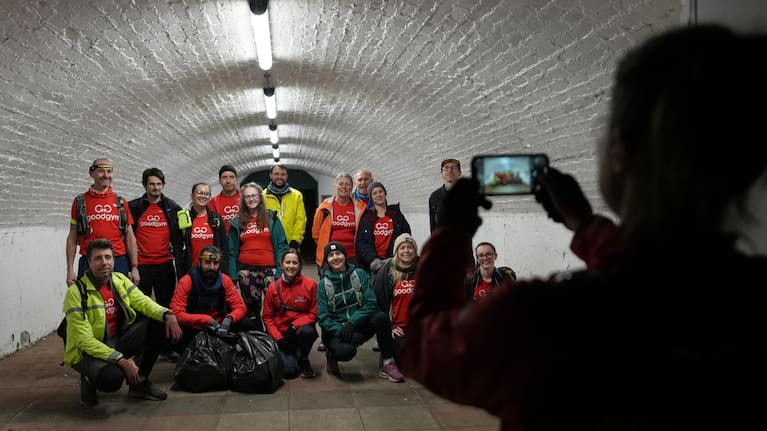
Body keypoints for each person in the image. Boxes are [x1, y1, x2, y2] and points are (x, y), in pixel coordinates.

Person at [403, 25, 767, 430]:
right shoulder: (750, 297)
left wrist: (451, 234)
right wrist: (586, 226)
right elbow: (654, 276)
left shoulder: (542, 318)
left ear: (620, 155)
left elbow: (424, 343)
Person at [62, 239, 182, 407]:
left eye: (108, 257)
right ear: (89, 262)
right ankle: (89, 379)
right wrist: (121, 361)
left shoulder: (119, 280)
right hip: (87, 351)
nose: (104, 262)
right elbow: (83, 340)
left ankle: (139, 383)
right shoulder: (76, 293)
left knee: (159, 323)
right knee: (112, 379)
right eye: (98, 258)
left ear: (113, 260)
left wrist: (168, 314)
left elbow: (143, 302)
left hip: (117, 340)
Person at [317, 241, 405, 382]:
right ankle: (331, 355)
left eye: (338, 253)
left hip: (356, 324)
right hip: (336, 330)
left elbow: (370, 303)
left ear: (345, 256)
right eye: (331, 255)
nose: (335, 257)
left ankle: (388, 363)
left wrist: (351, 324)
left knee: (381, 318)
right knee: (346, 352)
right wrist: (341, 330)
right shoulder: (323, 285)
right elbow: (323, 318)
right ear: (327, 260)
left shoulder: (359, 274)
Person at [128, 167, 186, 362]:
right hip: (142, 266)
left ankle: (166, 346)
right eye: (151, 184)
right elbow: (127, 235)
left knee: (166, 306)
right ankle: (141, 347)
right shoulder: (134, 207)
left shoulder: (172, 207)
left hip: (164, 265)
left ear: (163, 185)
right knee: (141, 308)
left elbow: (180, 238)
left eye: (159, 184)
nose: (155, 188)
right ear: (145, 185)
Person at [66, 158, 140, 286]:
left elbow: (130, 237)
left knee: (120, 303)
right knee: (90, 303)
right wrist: (70, 270)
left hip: (118, 260)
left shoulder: (121, 202)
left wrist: (134, 267)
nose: (106, 175)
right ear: (91, 173)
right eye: (101, 171)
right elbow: (72, 238)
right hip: (89, 262)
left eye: (109, 171)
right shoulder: (80, 202)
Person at [169, 245, 258, 351]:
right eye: (207, 263)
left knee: (246, 323)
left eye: (215, 263)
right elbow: (176, 313)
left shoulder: (225, 280)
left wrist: (229, 319)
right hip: (194, 327)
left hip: (220, 326)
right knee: (172, 329)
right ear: (199, 263)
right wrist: (206, 320)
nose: (211, 267)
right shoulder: (186, 281)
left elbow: (240, 307)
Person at [227, 183, 289, 328]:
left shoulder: (271, 217)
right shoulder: (237, 222)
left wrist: (280, 270)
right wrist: (233, 276)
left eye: (254, 195)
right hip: (246, 272)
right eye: (247, 196)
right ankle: (258, 341)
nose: (251, 199)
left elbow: (282, 245)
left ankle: (274, 339)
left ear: (260, 198)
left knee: (273, 307)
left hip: (270, 270)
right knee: (252, 310)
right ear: (243, 200)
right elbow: (231, 251)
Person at [262, 248, 318, 379]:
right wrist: (278, 338)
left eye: (295, 263)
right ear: (282, 264)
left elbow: (314, 313)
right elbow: (267, 316)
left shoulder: (311, 285)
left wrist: (295, 325)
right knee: (289, 372)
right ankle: (290, 355)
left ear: (300, 265)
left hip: (299, 331)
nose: (291, 266)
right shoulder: (273, 288)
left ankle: (303, 357)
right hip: (281, 334)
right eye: (288, 262)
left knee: (309, 332)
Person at [372, 233, 418, 359]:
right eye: (402, 248)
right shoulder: (387, 272)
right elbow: (379, 305)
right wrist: (390, 327)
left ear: (415, 250)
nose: (406, 251)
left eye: (410, 247)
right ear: (396, 251)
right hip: (398, 327)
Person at [312, 173, 366, 271]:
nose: (344, 187)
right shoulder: (324, 208)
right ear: (335, 186)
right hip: (330, 257)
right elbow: (316, 235)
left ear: (352, 187)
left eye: (347, 184)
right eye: (341, 184)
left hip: (353, 257)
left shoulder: (360, 207)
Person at [356, 182, 412, 273]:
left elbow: (406, 235)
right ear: (371, 198)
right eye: (374, 193)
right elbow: (361, 242)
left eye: (380, 191)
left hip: (395, 262)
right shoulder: (366, 218)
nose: (378, 195)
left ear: (385, 193)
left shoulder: (396, 215)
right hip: (375, 265)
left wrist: (399, 256)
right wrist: (373, 259)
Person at [181, 182, 228, 272]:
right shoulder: (185, 219)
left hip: (212, 271)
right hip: (192, 271)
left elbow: (223, 248)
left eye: (207, 194)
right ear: (192, 196)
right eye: (200, 193)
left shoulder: (216, 219)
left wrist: (225, 273)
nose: (203, 196)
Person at [263, 164, 307, 251]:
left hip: (291, 244)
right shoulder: (262, 196)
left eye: (283, 174)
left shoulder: (296, 195)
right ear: (270, 175)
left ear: (286, 176)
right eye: (276, 174)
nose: (279, 177)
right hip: (269, 244)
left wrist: (296, 241)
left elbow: (300, 220)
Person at [428, 159, 461, 233]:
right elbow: (433, 226)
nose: (450, 171)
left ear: (459, 173)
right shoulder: (434, 197)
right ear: (441, 173)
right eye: (446, 168)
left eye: (454, 168)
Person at [208, 165, 240, 236]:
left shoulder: (245, 198)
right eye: (224, 177)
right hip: (223, 242)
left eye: (231, 177)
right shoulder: (213, 203)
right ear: (220, 180)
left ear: (236, 180)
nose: (228, 181)